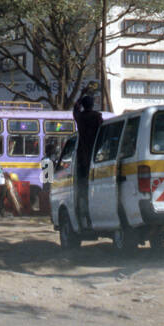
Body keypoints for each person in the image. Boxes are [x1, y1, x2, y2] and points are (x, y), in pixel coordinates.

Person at [72, 94, 103, 228]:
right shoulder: (97, 116)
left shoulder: (80, 117)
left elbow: (75, 109)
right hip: (96, 157)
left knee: (83, 189)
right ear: (93, 104)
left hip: (83, 158)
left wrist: (80, 97)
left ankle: (85, 216)